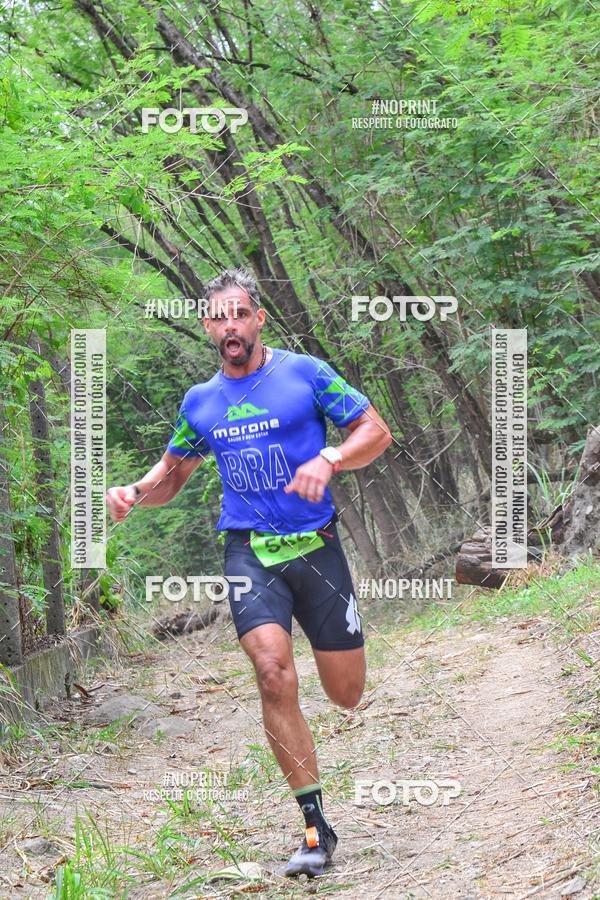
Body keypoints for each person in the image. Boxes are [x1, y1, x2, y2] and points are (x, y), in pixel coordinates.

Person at [106, 268, 392, 877]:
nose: (229, 325)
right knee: (271, 672)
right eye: (218, 317)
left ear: (258, 318)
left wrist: (331, 457)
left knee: (347, 694)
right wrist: (134, 492)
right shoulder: (201, 402)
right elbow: (171, 477)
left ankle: (332, 699)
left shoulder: (305, 373)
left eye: (239, 314)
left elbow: (375, 430)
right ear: (208, 327)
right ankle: (315, 829)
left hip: (316, 547)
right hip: (248, 552)